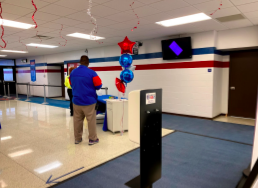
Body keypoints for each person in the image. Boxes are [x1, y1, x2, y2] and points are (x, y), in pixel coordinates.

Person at [70, 55, 102, 145]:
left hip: (76, 101)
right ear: (88, 62)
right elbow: (98, 86)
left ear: (80, 62)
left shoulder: (72, 73)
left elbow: (71, 84)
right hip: (89, 101)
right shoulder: (92, 73)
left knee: (77, 120)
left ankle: (77, 139)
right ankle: (92, 139)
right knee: (91, 121)